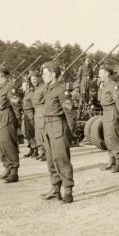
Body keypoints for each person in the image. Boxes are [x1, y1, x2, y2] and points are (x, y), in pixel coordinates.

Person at [40, 61, 76, 203]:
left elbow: (70, 113)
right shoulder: (47, 89)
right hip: (48, 125)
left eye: (45, 74)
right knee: (50, 160)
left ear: (53, 74)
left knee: (61, 159)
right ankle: (55, 190)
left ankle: (68, 191)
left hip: (58, 125)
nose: (42, 76)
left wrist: (71, 132)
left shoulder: (61, 90)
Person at [0, 65, 21, 183]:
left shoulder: (10, 87)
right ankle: (7, 168)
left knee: (8, 143)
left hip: (7, 116)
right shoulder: (0, 87)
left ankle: (14, 171)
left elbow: (15, 103)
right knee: (2, 144)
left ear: (1, 74)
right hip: (0, 116)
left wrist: (18, 119)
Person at [98, 65, 119, 173]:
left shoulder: (112, 85)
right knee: (107, 138)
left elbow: (118, 101)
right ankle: (111, 161)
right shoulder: (103, 85)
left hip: (112, 112)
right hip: (105, 112)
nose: (99, 75)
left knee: (113, 137)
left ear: (107, 74)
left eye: (101, 73)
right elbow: (99, 100)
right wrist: (100, 89)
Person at [30, 70, 47, 161]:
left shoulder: (43, 87)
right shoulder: (36, 89)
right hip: (37, 112)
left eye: (35, 79)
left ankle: (46, 153)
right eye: (32, 79)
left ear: (39, 78)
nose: (33, 81)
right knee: (38, 134)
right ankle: (42, 152)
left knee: (43, 133)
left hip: (42, 112)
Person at [21, 78, 38, 158]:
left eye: (23, 85)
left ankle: (35, 150)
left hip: (30, 113)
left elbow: (34, 104)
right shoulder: (26, 93)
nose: (22, 87)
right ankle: (31, 149)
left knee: (31, 131)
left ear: (27, 86)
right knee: (27, 132)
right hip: (26, 113)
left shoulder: (30, 94)